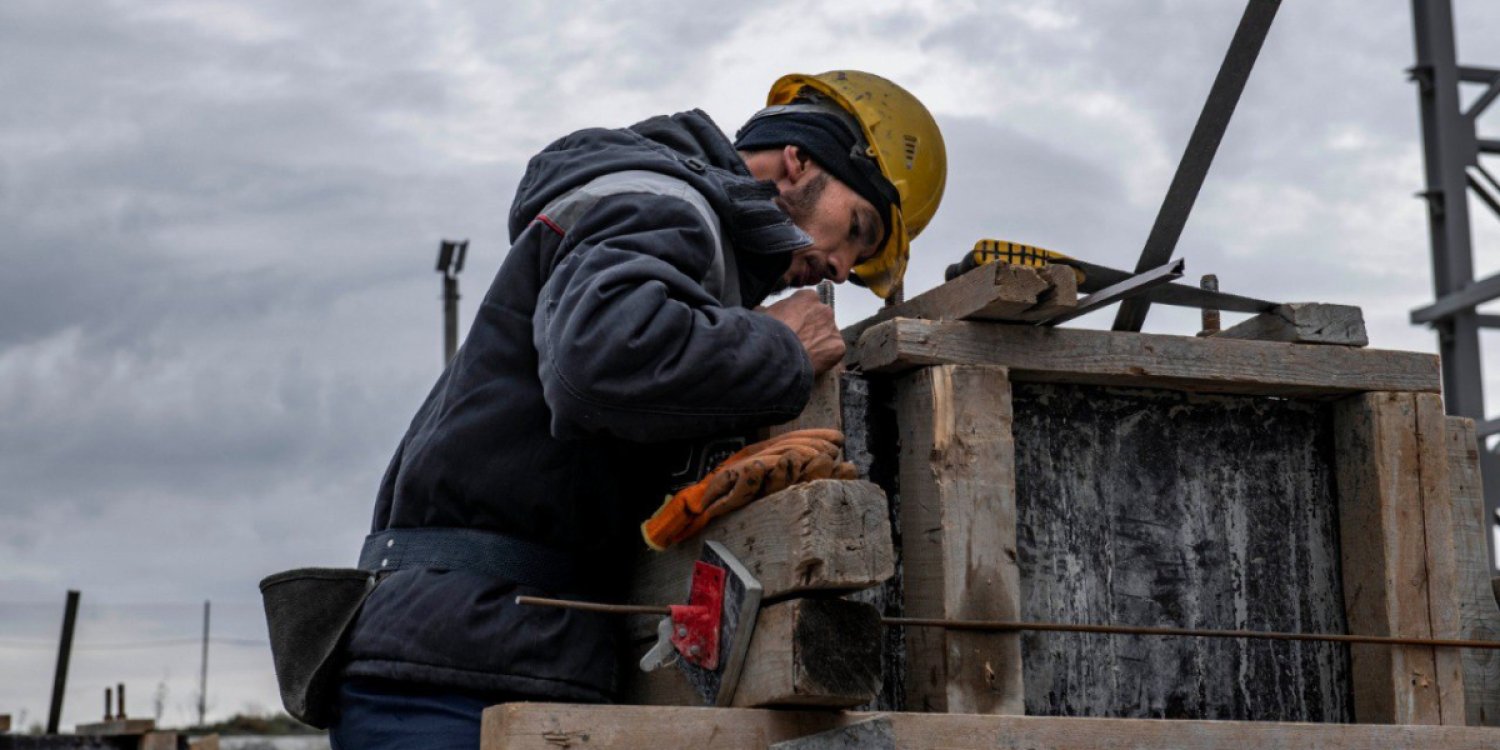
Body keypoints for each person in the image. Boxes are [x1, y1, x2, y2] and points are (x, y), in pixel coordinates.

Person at [330, 70, 946, 748]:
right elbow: (597, 360)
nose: (840, 267)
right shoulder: (670, 207)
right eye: (855, 229)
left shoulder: (686, 242)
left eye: (860, 261)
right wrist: (780, 349)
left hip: (478, 651)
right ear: (800, 159)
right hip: (459, 672)